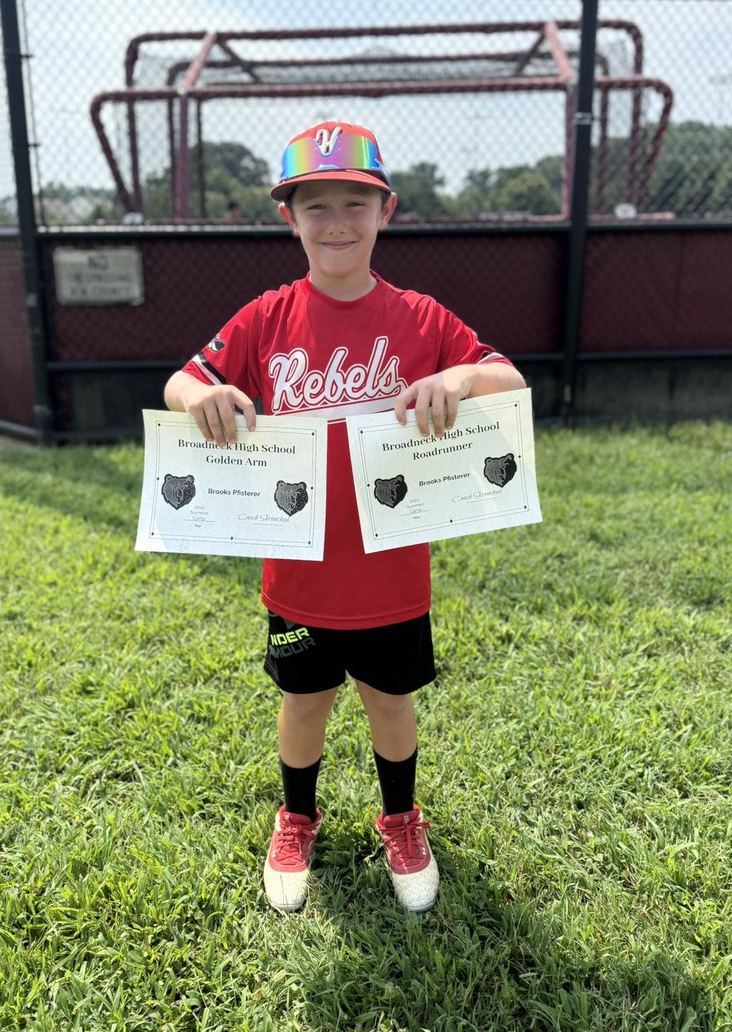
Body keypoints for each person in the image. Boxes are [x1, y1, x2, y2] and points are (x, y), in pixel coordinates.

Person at [164, 121, 526, 913]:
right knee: (304, 702)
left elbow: (508, 378)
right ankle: (297, 816)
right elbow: (180, 383)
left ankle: (400, 817)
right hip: (297, 571)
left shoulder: (422, 318)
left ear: (385, 211)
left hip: (392, 570)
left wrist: (461, 380)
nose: (336, 221)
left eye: (354, 203)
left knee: (392, 701)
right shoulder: (267, 316)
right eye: (315, 203)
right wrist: (208, 396)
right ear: (288, 217)